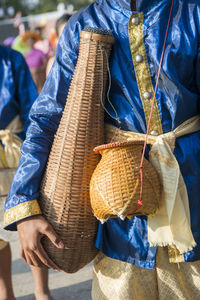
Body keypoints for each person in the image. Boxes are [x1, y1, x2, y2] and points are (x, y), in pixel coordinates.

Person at [3, 0, 200, 299]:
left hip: (194, 198)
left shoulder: (192, 13)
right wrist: (24, 203)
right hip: (118, 219)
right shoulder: (83, 24)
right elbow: (47, 119)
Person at [0, 46, 52, 300]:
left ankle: (42, 291)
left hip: (16, 152)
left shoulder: (11, 60)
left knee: (28, 217)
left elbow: (32, 109)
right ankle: (5, 292)